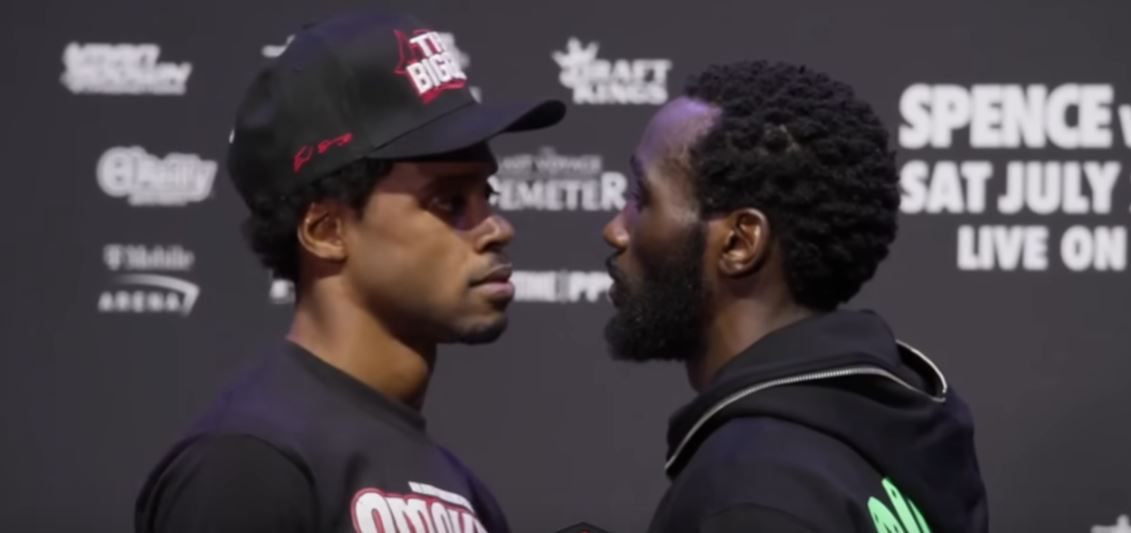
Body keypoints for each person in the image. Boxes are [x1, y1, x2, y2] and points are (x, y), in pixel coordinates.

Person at [134, 6, 564, 533]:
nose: (496, 227)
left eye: (486, 194)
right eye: (449, 201)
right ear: (326, 231)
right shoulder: (250, 464)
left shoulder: (464, 492)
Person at [602, 60, 988, 532]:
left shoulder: (752, 493)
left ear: (740, 243)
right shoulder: (886, 431)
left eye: (642, 198)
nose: (616, 229)